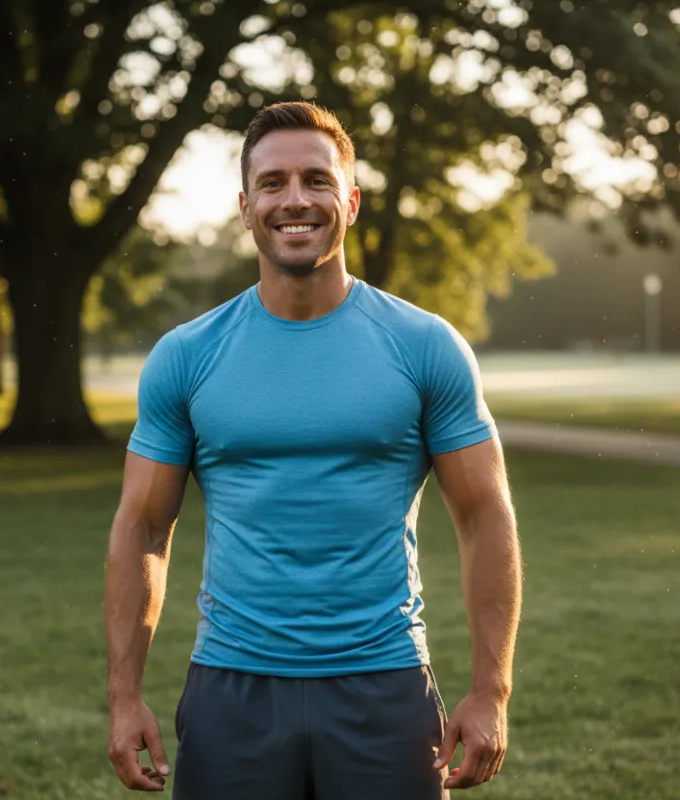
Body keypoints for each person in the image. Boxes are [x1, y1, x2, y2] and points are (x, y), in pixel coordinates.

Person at [104, 101, 522, 798]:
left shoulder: (425, 347)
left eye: (316, 181)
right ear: (245, 207)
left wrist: (492, 691)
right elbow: (143, 526)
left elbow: (486, 517)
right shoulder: (186, 356)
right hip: (231, 692)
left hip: (383, 688)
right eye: (272, 183)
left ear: (350, 202)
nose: (294, 199)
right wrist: (124, 696)